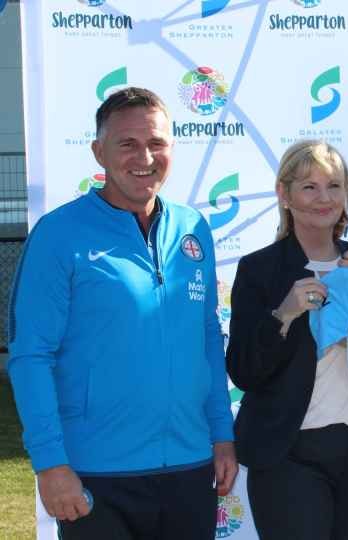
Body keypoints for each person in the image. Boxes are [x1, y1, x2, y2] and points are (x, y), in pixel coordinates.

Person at [7, 87, 237, 539]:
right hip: (96, 472)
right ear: (99, 152)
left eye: (156, 143)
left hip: (190, 466)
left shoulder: (192, 228)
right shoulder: (59, 234)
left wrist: (221, 435)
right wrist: (50, 463)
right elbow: (31, 356)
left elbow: (208, 338)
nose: (144, 157)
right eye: (127, 144)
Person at [226, 140, 348, 539]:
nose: (323, 198)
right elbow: (244, 371)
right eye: (309, 187)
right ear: (284, 193)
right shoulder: (259, 270)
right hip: (288, 453)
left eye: (334, 186)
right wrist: (283, 315)